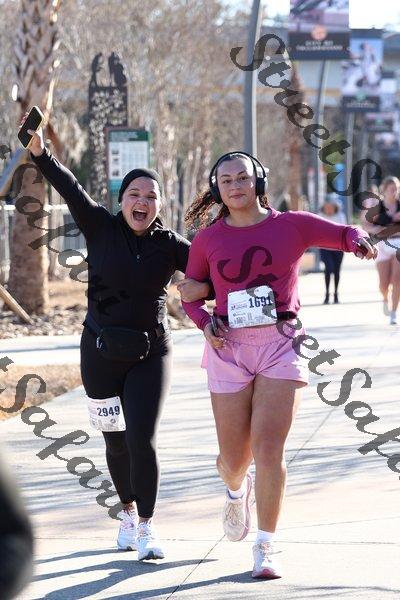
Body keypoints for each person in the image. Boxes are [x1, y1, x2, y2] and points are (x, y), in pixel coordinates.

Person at [20, 113, 212, 562]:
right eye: (134, 195)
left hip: (150, 352)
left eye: (151, 196)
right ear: (121, 199)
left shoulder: (172, 245)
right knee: (115, 440)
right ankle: (126, 514)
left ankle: (146, 525)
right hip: (99, 352)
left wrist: (203, 289)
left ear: (160, 204)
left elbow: (213, 276)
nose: (142, 202)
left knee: (142, 438)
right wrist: (40, 152)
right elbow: (69, 186)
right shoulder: (100, 227)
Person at [181, 151, 376, 579]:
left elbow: (343, 233)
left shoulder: (291, 225)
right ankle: (236, 490)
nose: (236, 186)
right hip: (228, 346)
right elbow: (189, 295)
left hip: (281, 343)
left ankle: (265, 546)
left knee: (269, 450)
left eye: (243, 178)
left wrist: (358, 239)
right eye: (226, 180)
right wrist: (205, 324)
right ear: (217, 188)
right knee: (235, 460)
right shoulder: (207, 239)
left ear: (259, 181)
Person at [360, 177, 400, 325]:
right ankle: (385, 297)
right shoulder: (377, 207)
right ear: (384, 190)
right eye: (391, 189)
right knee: (384, 284)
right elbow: (365, 225)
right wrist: (379, 229)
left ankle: (394, 313)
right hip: (382, 245)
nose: (394, 192)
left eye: (396, 189)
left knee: (397, 280)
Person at [319, 198, 347, 304]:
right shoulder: (320, 216)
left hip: (338, 248)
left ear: (335, 207)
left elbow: (344, 231)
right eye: (327, 207)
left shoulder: (340, 216)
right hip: (325, 248)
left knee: (336, 270)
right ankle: (326, 294)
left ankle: (335, 294)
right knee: (328, 268)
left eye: (331, 207)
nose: (329, 210)